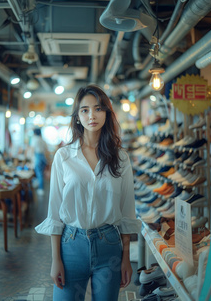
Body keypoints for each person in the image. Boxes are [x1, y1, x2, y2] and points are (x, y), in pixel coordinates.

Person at [35, 84, 141, 300]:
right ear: (77, 117)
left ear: (107, 113)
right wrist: (56, 259)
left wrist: (126, 257)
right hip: (71, 245)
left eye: (98, 108)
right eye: (85, 110)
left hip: (109, 245)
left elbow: (128, 210)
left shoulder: (120, 158)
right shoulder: (63, 157)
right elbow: (55, 212)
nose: (92, 115)